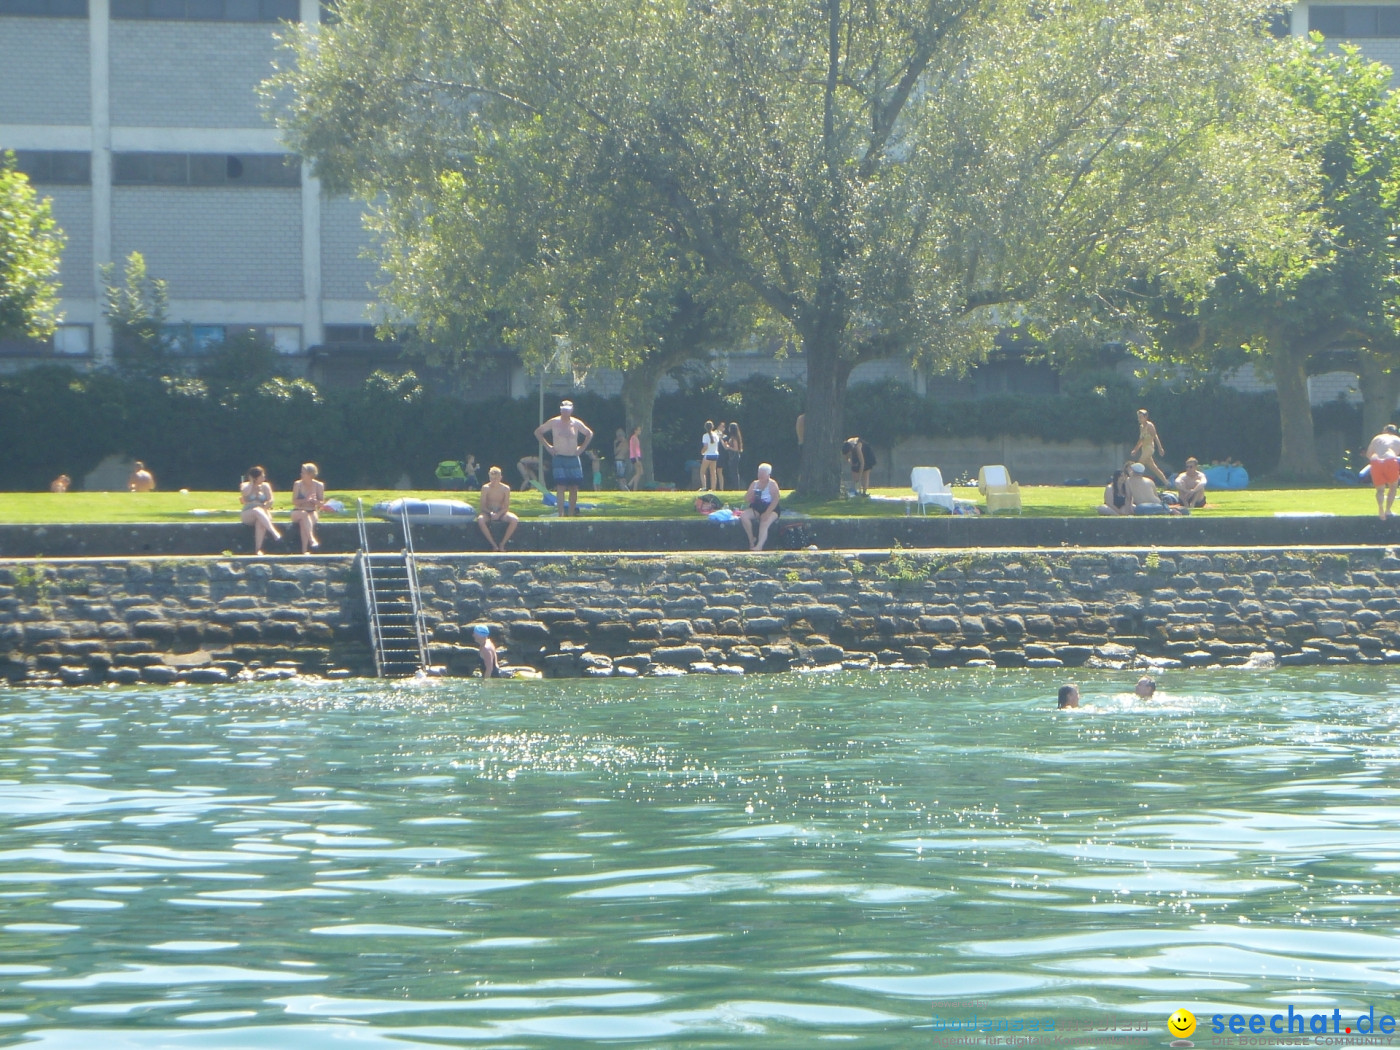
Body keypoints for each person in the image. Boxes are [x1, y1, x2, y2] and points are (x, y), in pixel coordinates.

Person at [534, 399, 594, 516]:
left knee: (574, 487)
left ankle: (571, 513)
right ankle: (561, 513)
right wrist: (548, 447)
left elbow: (589, 433)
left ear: (571, 410)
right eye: (563, 410)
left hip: (573, 457)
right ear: (561, 410)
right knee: (560, 486)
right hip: (559, 457)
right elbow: (538, 432)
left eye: (568, 410)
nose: (565, 413)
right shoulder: (554, 422)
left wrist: (581, 448)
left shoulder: (576, 423)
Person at [240, 465, 281, 555]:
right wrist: (252, 484)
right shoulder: (245, 485)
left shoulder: (266, 486)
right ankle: (273, 532)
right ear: (255, 478)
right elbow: (245, 493)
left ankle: (258, 549)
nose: (264, 477)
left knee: (260, 522)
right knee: (257, 510)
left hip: (263, 512)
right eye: (261, 476)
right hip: (249, 512)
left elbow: (271, 500)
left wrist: (266, 506)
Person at [477, 466, 520, 552]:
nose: (493, 481)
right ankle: (493, 544)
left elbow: (506, 506)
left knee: (514, 519)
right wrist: (490, 513)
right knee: (480, 520)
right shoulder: (485, 488)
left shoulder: (505, 489)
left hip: (501, 513)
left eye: (496, 479)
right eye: (492, 479)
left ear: (500, 478)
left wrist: (499, 514)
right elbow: (482, 506)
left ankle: (502, 544)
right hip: (488, 513)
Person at [741, 462, 781, 552]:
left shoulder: (772, 484)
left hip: (771, 508)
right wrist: (752, 494)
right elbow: (746, 498)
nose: (760, 476)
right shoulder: (754, 483)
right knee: (744, 516)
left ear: (768, 475)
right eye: (759, 473)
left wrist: (767, 513)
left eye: (762, 474)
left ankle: (759, 545)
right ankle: (751, 539)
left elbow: (776, 499)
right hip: (757, 507)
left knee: (764, 521)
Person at [289, 462, 325, 554]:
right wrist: (305, 500)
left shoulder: (319, 485)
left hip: (312, 511)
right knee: (304, 515)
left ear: (310, 474)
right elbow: (294, 501)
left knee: (304, 522)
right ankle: (312, 539)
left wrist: (314, 501)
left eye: (303, 472)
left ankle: (304, 550)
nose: (301, 474)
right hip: (298, 511)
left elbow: (321, 503)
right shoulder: (297, 484)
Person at [1366, 424, 1400, 520]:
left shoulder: (1377, 438)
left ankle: (1380, 508)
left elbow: (1369, 454)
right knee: (1393, 487)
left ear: (1384, 431)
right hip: (1390, 459)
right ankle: (1388, 510)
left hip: (1376, 461)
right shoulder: (1397, 439)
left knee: (1380, 490)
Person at [1131, 409, 1168, 484]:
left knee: (1139, 464)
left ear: (1145, 417)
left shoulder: (1150, 425)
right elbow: (1141, 440)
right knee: (1154, 468)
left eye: (1141, 417)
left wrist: (1160, 448)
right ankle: (1167, 483)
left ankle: (1133, 480)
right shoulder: (1141, 427)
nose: (1139, 419)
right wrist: (1135, 449)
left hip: (1149, 448)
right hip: (1144, 449)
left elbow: (1155, 437)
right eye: (1138, 417)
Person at [699, 420, 722, 491]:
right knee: (713, 472)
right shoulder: (716, 435)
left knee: (702, 472)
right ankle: (713, 488)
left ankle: (704, 487)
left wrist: (702, 452)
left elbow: (705, 447)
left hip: (708, 455)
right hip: (715, 455)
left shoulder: (705, 436)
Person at [723, 422, 745, 490]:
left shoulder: (734, 438)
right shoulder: (734, 437)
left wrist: (728, 447)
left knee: (734, 472)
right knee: (733, 472)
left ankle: (736, 487)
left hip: (734, 456)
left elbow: (736, 449)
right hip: (733, 456)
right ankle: (735, 486)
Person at [627, 426, 643, 491]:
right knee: (640, 472)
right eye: (638, 430)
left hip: (635, 457)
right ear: (635, 431)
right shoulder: (634, 438)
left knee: (638, 473)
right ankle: (629, 484)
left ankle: (634, 488)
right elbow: (634, 449)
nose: (640, 431)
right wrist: (637, 459)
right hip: (635, 457)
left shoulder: (635, 438)